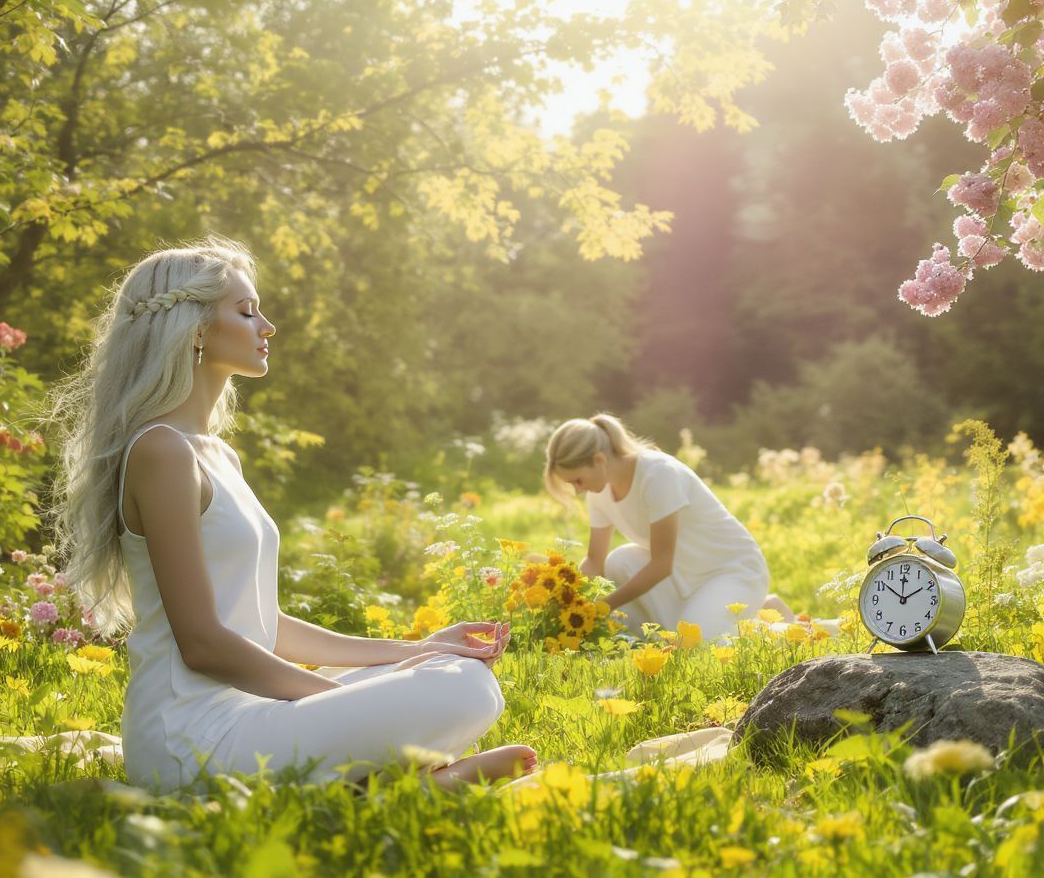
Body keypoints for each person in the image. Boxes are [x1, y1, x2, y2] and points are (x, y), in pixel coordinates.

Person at [47, 235, 537, 794]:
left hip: (249, 713)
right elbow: (203, 644)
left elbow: (266, 626)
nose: (268, 326)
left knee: (453, 672)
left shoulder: (216, 455)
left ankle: (380, 783)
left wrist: (416, 650)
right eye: (247, 310)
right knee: (462, 693)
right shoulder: (161, 452)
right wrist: (351, 704)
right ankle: (402, 784)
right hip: (190, 739)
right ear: (196, 331)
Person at [543, 413, 802, 643]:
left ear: (599, 460)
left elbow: (661, 564)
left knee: (695, 644)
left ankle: (791, 630)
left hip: (732, 570)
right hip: (682, 574)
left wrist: (603, 606)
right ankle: (753, 612)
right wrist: (570, 603)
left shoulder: (658, 474)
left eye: (578, 480)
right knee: (618, 562)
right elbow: (594, 561)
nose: (577, 490)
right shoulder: (598, 493)